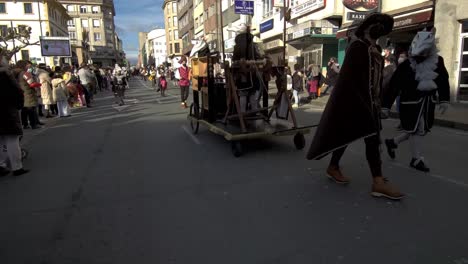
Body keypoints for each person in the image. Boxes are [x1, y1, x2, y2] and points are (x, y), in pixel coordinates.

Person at [306, 13, 404, 200]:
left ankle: (341, 168)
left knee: (365, 138)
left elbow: (376, 80)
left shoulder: (374, 49)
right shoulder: (358, 47)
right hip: (355, 102)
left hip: (370, 103)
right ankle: (376, 180)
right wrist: (360, 102)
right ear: (368, 28)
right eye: (379, 27)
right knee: (357, 137)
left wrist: (381, 103)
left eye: (384, 29)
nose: (381, 32)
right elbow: (349, 80)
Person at [382, 28, 450, 173]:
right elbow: (394, 85)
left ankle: (393, 142)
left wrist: (444, 99)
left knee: (417, 130)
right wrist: (386, 106)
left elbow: (443, 80)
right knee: (417, 129)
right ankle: (416, 159)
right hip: (410, 103)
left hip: (428, 103)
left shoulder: (438, 61)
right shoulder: (406, 65)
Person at [0, 56, 29, 177]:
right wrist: (18, 105)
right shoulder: (4, 75)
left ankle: (1, 165)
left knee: (0, 140)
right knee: (12, 139)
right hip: (6, 110)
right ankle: (17, 167)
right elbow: (15, 92)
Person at [15, 60, 42, 129]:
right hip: (28, 93)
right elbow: (31, 83)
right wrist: (39, 84)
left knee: (24, 110)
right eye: (27, 65)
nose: (29, 66)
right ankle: (33, 124)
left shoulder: (18, 73)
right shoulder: (25, 73)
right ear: (24, 65)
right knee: (31, 109)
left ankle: (25, 124)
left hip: (23, 92)